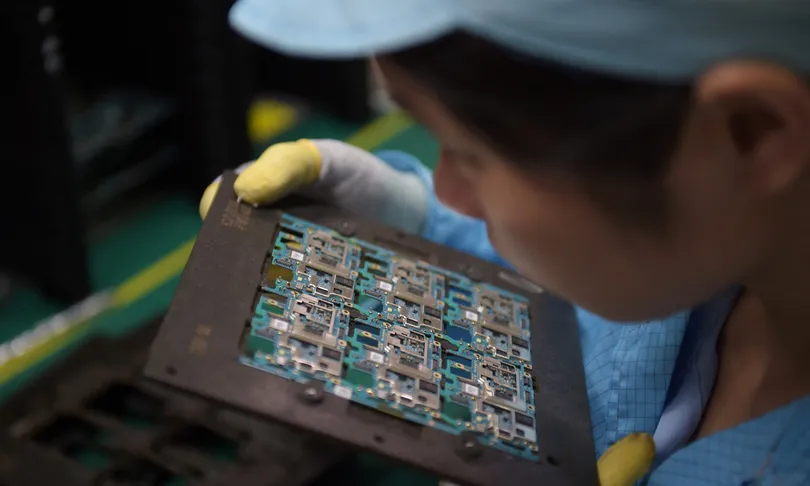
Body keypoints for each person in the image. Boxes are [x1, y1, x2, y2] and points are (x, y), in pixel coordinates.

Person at [199, 1, 810, 484]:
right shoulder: (709, 261)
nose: (451, 190)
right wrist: (408, 218)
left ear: (751, 134)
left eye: (470, 154)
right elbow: (574, 300)